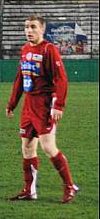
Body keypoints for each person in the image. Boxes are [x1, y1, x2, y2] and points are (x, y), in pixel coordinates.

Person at [6, 14, 77, 203]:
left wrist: (58, 105)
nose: (29, 30)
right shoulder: (25, 49)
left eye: (33, 27)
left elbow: (61, 78)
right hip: (29, 104)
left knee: (48, 147)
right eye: (27, 27)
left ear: (42, 29)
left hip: (45, 104)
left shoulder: (49, 49)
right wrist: (12, 103)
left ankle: (70, 186)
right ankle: (30, 190)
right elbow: (20, 78)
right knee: (27, 148)